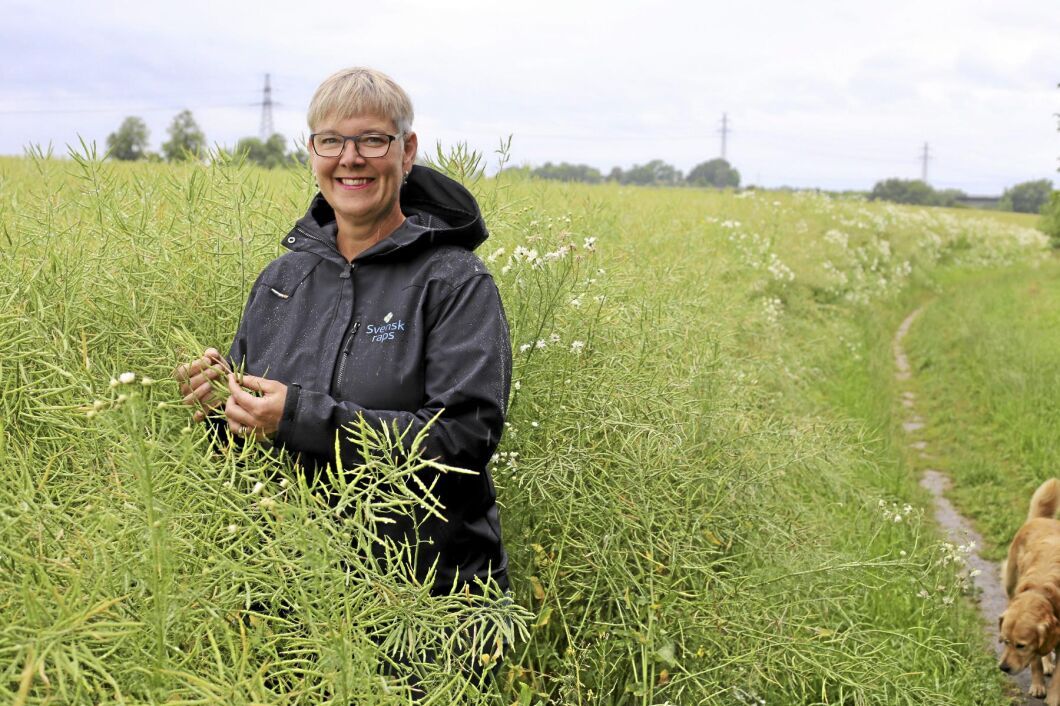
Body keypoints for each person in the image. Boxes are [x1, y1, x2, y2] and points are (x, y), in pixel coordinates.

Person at [175, 67, 510, 599]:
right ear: (311, 153)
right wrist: (223, 406)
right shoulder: (282, 280)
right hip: (293, 588)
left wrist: (296, 416)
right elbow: (257, 441)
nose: (349, 158)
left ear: (407, 151)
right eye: (330, 140)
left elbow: (461, 441)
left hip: (423, 600)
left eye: (373, 140)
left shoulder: (453, 282)